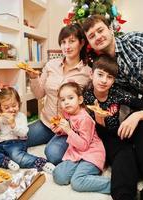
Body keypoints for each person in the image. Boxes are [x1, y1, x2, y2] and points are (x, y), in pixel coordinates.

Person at [83, 55, 143, 200]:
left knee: (140, 120)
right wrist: (99, 122)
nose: (104, 80)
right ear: (91, 74)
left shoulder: (116, 94)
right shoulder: (83, 96)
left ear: (113, 80)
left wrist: (135, 116)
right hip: (96, 142)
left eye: (110, 77)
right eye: (100, 75)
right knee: (125, 155)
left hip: (118, 137)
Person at [25, 24, 92, 165]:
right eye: (63, 42)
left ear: (82, 43)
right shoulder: (51, 65)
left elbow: (88, 105)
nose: (66, 46)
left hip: (68, 128)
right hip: (46, 122)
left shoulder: (88, 73)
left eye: (71, 41)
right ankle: (49, 138)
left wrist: (69, 128)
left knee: (53, 155)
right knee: (17, 138)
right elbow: (39, 95)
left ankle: (56, 143)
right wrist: (33, 78)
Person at [0, 87, 55, 173]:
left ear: (19, 103)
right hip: (0, 145)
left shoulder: (21, 116)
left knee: (17, 156)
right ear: (0, 108)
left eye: (14, 106)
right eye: (6, 108)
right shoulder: (0, 118)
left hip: (16, 143)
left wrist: (13, 125)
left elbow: (24, 133)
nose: (11, 109)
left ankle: (42, 164)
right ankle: (6, 162)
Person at [52, 82, 110, 194]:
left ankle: (115, 185)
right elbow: (73, 132)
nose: (66, 102)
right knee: (59, 175)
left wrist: (68, 130)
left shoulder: (85, 119)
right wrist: (61, 130)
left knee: (77, 182)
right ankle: (81, 171)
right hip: (76, 153)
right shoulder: (69, 114)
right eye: (63, 100)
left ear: (80, 100)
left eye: (70, 98)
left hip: (91, 153)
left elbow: (83, 145)